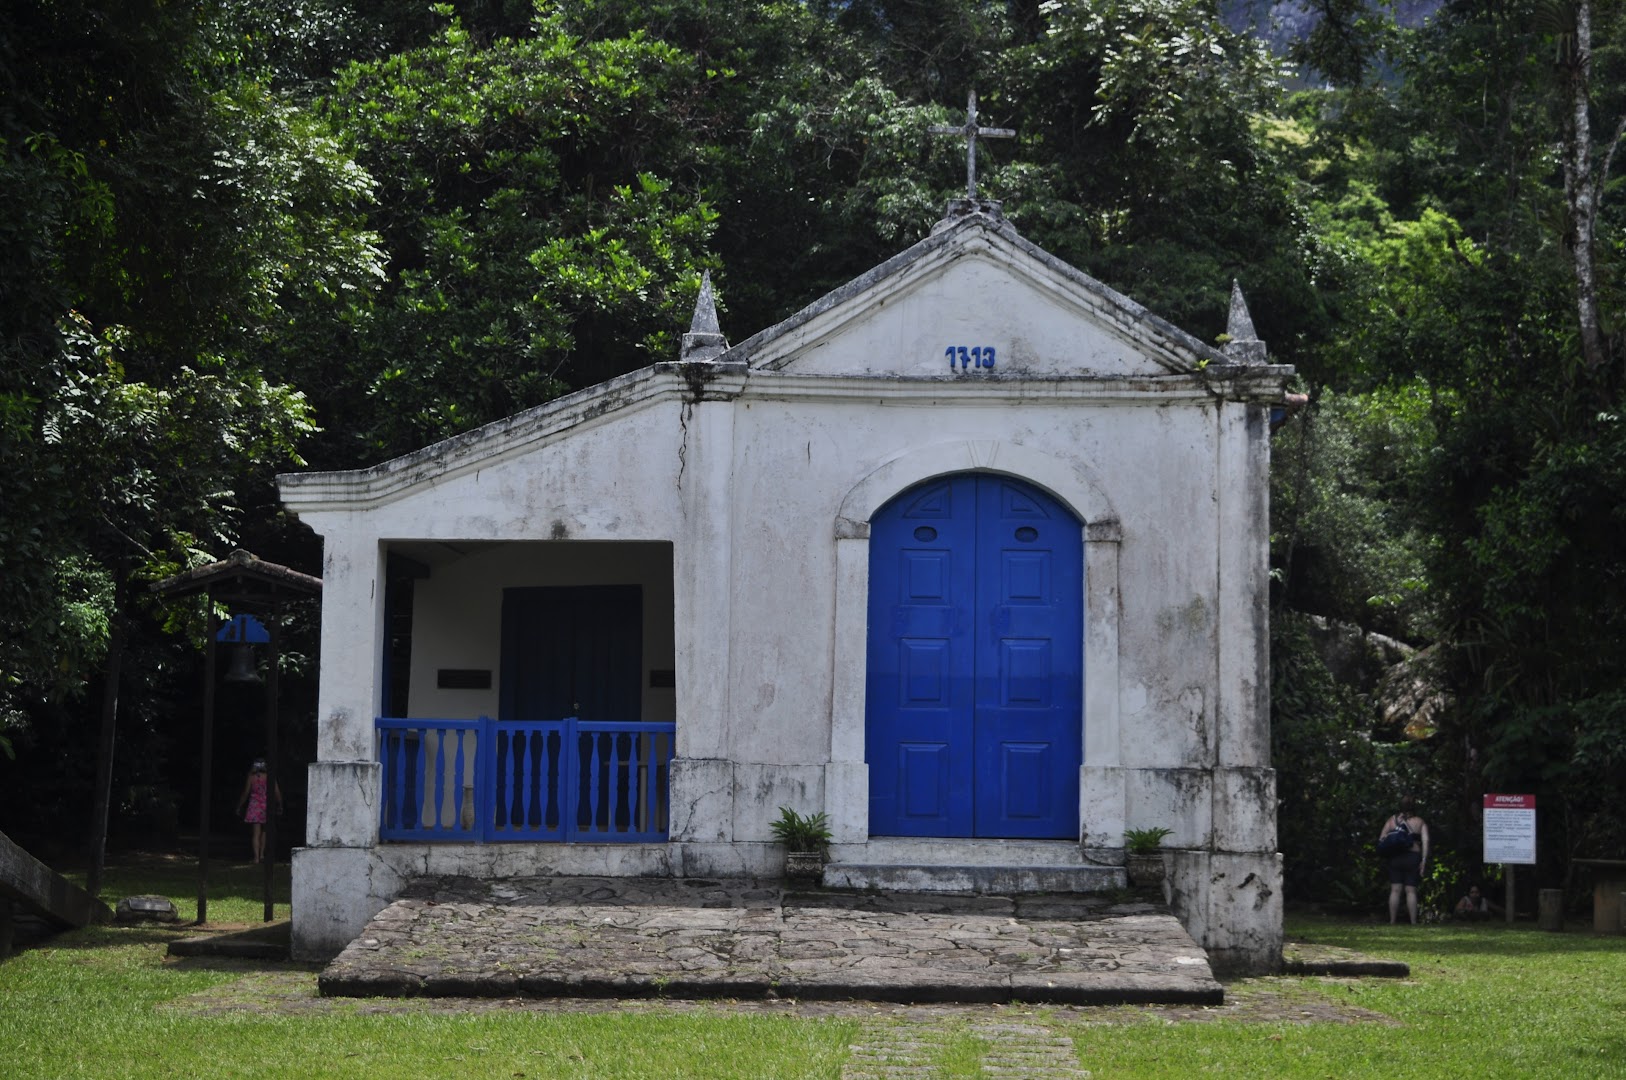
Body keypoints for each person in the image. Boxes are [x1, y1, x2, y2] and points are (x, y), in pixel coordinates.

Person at [1380, 796, 1429, 924]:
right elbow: (1425, 841)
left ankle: (1392, 921)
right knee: (1411, 890)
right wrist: (1423, 860)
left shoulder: (1392, 820)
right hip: (1412, 858)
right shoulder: (1420, 822)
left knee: (1395, 890)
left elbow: (1381, 839)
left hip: (1395, 858)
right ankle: (1413, 922)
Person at [235, 758, 282, 864]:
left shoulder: (251, 777)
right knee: (265, 832)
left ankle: (256, 858)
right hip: (267, 806)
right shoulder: (270, 777)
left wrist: (239, 806)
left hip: (254, 806)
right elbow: (277, 792)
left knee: (256, 833)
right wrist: (280, 804)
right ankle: (261, 855)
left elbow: (246, 792)